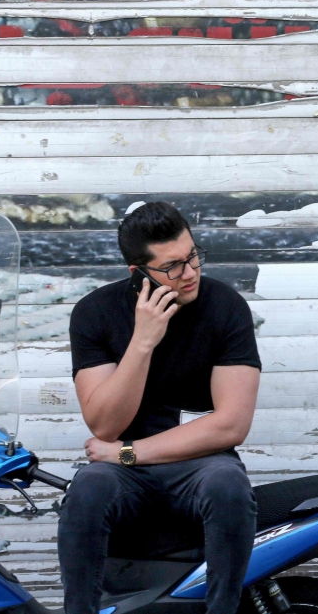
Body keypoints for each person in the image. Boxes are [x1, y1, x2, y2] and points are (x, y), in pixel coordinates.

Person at [59, 202, 262, 614]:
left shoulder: (225, 307)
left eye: (192, 257)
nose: (189, 273)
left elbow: (230, 426)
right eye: (172, 267)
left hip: (200, 461)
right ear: (139, 273)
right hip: (120, 475)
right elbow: (104, 424)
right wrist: (143, 341)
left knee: (228, 485)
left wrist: (129, 452)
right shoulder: (94, 313)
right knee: (87, 488)